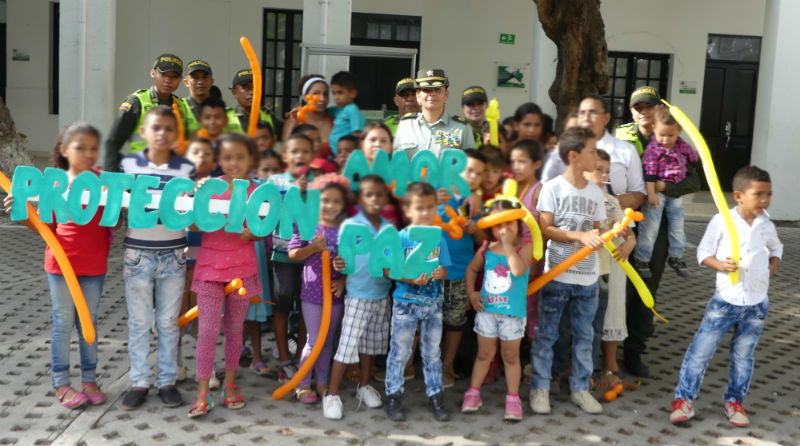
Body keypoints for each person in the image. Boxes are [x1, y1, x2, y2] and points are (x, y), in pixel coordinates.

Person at [3, 122, 116, 409]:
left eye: (93, 148)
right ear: (65, 150)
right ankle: (62, 384)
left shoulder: (104, 182)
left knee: (88, 323)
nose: (88, 154)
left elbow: (113, 219)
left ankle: (90, 379)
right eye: (81, 148)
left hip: (94, 267)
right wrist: (21, 214)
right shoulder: (54, 184)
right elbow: (44, 227)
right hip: (60, 266)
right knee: (63, 323)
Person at [670, 166, 781, 428]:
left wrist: (774, 263)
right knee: (700, 352)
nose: (765, 200)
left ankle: (735, 401)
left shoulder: (766, 224)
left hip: (756, 305)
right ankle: (683, 400)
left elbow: (777, 247)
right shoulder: (723, 220)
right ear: (739, 195)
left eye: (769, 194)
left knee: (743, 356)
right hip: (725, 302)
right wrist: (720, 265)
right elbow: (703, 253)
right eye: (759, 194)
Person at [616, 86, 701, 378]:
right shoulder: (618, 141)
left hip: (655, 226)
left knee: (646, 289)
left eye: (649, 107)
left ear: (658, 109)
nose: (644, 112)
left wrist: (664, 187)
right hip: (620, 224)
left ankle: (634, 351)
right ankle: (606, 353)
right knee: (616, 289)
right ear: (631, 112)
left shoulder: (672, 139)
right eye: (638, 108)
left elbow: (693, 182)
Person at [119, 106, 197, 410]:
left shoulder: (186, 168)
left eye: (168, 128)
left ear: (176, 134)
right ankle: (139, 381)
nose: (162, 133)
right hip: (137, 254)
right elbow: (119, 209)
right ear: (143, 132)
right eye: (156, 128)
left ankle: (166, 380)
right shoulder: (129, 165)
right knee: (139, 322)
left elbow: (190, 210)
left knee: (167, 322)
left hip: (174, 254)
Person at [529, 126, 605, 415]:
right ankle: (540, 388)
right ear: (574, 156)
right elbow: (545, 229)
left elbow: (597, 231)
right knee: (548, 334)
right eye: (592, 151)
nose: (596, 157)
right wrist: (580, 237)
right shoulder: (552, 187)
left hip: (588, 279)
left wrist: (607, 236)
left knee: (584, 336)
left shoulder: (597, 193)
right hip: (557, 275)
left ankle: (580, 389)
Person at [187, 133, 264, 417]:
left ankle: (230, 384)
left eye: (240, 158)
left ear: (251, 160)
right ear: (219, 160)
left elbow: (262, 229)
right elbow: (193, 226)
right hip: (209, 269)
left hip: (241, 271)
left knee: (234, 330)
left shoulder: (257, 192)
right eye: (228, 158)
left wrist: (254, 233)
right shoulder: (208, 188)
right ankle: (202, 391)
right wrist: (193, 198)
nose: (234, 163)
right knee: (207, 332)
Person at [323, 175, 394, 420]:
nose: (374, 199)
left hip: (381, 294)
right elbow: (344, 259)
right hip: (358, 295)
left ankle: (364, 386)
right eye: (368, 195)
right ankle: (331, 394)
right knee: (347, 347)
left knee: (370, 347)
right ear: (360, 199)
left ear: (386, 198)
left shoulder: (388, 228)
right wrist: (340, 270)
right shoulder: (351, 226)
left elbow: (391, 260)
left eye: (379, 194)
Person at [384, 182, 451, 422]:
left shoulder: (439, 238)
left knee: (432, 352)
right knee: (400, 351)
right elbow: (387, 270)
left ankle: (436, 395)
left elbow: (444, 267)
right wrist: (410, 278)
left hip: (433, 305)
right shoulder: (401, 237)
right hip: (405, 303)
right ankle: (393, 394)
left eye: (430, 207)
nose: (425, 213)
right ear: (408, 211)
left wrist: (442, 273)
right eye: (419, 208)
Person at [462, 200, 532, 421]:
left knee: (510, 356)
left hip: (512, 314)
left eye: (509, 223)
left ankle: (513, 398)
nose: (503, 230)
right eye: (498, 225)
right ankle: (473, 393)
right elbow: (471, 269)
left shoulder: (525, 246)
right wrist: (472, 293)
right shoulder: (486, 248)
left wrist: (509, 245)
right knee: (484, 354)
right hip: (487, 312)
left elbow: (518, 269)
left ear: (519, 224)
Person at [288, 176, 349, 403]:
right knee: (314, 340)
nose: (330, 206)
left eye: (336, 201)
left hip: (335, 294)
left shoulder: (346, 229)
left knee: (329, 339)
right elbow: (293, 253)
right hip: (312, 293)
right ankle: (303, 384)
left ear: (343, 204)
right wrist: (312, 248)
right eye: (325, 200)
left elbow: (352, 260)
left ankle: (322, 382)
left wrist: (343, 278)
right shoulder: (306, 224)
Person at [584, 149, 635, 390]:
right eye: (598, 170)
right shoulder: (579, 197)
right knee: (586, 314)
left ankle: (607, 365)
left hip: (611, 262)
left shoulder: (611, 201)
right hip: (585, 263)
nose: (604, 175)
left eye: (607, 171)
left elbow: (627, 229)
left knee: (611, 307)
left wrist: (630, 241)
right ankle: (582, 367)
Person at [267, 133, 315, 381]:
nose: (299, 156)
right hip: (282, 255)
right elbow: (260, 208)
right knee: (282, 303)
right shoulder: (275, 182)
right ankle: (285, 358)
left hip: (311, 257)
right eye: (293, 151)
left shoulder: (320, 183)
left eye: (305, 151)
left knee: (307, 306)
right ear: (285, 156)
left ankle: (303, 359)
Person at [632, 106, 699, 279]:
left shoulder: (681, 145)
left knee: (678, 224)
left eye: (671, 135)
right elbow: (650, 174)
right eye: (662, 135)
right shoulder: (653, 150)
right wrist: (652, 194)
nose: (665, 140)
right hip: (657, 192)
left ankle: (676, 255)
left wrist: (696, 159)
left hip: (675, 192)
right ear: (654, 128)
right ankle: (642, 258)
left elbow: (693, 156)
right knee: (651, 226)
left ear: (679, 131)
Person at [440, 149, 488, 387]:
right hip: (432, 271)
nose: (472, 177)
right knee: (426, 321)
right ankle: (413, 364)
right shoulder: (440, 194)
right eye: (469, 170)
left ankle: (447, 365)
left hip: (460, 273)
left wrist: (475, 229)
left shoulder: (476, 204)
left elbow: (483, 240)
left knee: (455, 322)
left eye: (478, 174)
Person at [103, 54, 192, 172]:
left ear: (180, 79)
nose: (168, 80)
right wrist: (111, 177)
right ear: (153, 73)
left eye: (174, 76)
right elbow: (114, 141)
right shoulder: (137, 102)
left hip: (171, 175)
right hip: (138, 173)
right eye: (163, 74)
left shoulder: (181, 106)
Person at [393, 69, 475, 160]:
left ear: (446, 95)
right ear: (418, 96)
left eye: (437, 90)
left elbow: (470, 165)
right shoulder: (406, 125)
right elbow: (396, 163)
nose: (432, 94)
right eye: (426, 90)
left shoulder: (461, 128)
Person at [508, 139, 545, 339]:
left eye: (522, 161)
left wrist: (537, 265)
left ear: (536, 164)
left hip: (531, 264)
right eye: (513, 162)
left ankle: (531, 355)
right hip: (508, 262)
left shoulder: (540, 191)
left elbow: (545, 233)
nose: (516, 167)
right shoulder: (510, 189)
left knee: (531, 311)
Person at [225, 69, 282, 138]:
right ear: (234, 93)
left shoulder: (270, 117)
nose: (252, 92)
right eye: (245, 88)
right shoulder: (224, 117)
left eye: (255, 88)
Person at [282, 75, 333, 150]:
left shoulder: (336, 118)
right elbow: (285, 150)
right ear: (305, 97)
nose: (322, 98)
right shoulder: (295, 120)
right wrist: (293, 124)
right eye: (316, 94)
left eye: (325, 94)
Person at [328, 71, 366, 154]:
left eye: (340, 93)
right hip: (336, 154)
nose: (336, 97)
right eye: (334, 93)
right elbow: (322, 112)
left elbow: (357, 134)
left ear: (353, 93)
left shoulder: (352, 110)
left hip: (346, 155)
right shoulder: (337, 109)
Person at [181, 59, 215, 136]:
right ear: (186, 82)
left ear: (211, 81)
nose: (200, 82)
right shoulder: (178, 107)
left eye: (204, 77)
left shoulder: (220, 110)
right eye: (195, 78)